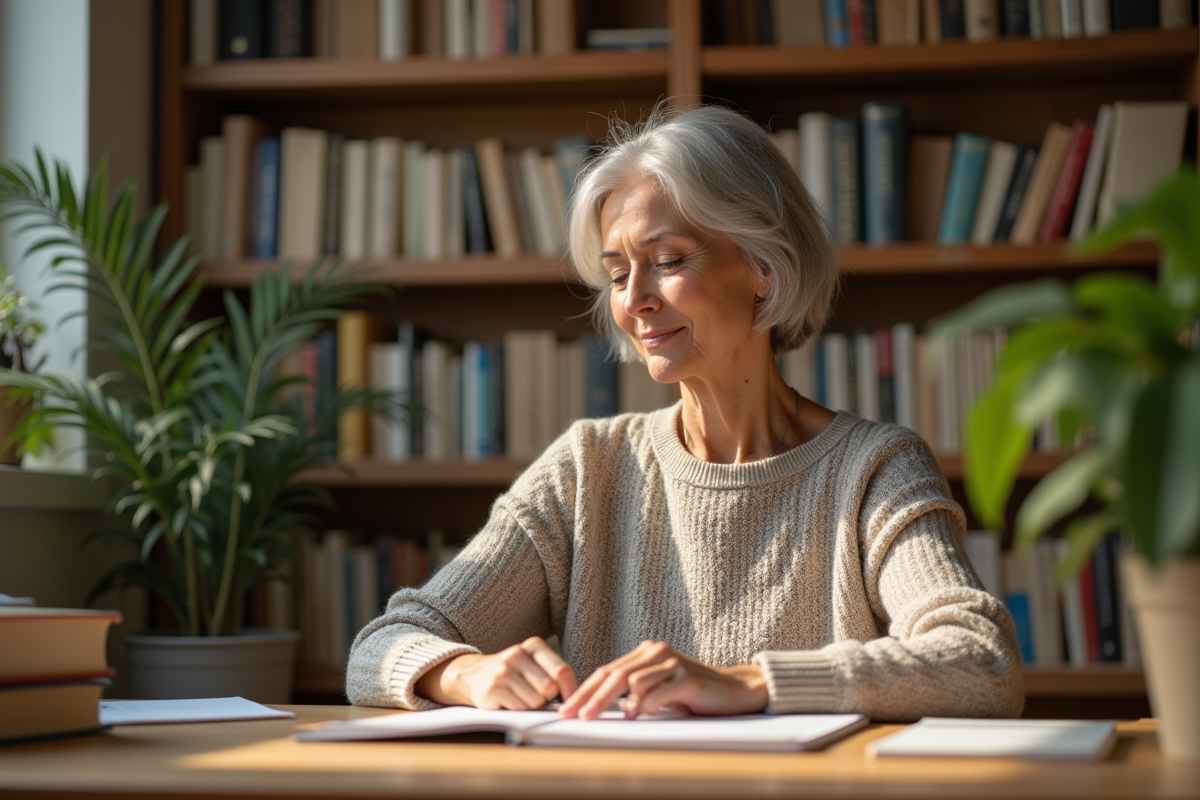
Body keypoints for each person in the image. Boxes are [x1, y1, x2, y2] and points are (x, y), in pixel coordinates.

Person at [345, 103, 1024, 721]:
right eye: (616, 273)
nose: (634, 298)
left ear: (763, 266)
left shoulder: (873, 469)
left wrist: (752, 683)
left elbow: (980, 663)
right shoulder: (589, 468)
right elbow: (380, 648)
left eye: (667, 260)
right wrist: (466, 674)